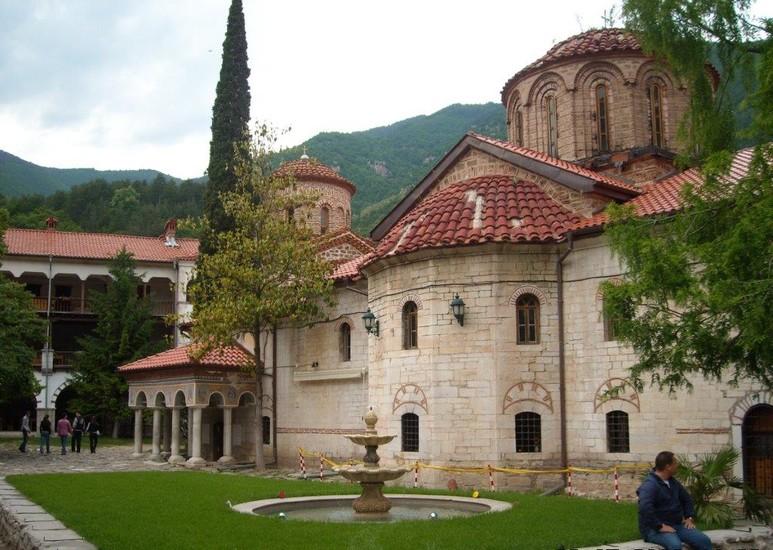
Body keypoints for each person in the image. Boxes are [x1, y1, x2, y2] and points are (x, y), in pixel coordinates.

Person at [637, 451, 713, 550]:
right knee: (675, 545)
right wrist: (659, 526)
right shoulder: (650, 485)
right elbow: (645, 508)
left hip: (677, 525)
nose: (677, 466)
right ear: (668, 467)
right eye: (675, 463)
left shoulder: (672, 482)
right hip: (654, 529)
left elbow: (687, 499)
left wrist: (689, 517)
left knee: (704, 540)